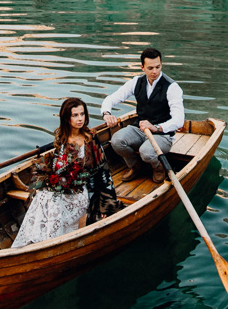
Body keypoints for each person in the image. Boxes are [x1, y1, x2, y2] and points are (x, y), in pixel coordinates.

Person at [13, 97, 104, 248]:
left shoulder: (90, 138)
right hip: (64, 186)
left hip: (81, 188)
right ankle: (38, 239)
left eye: (82, 114)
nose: (80, 119)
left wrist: (105, 202)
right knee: (42, 195)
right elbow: (58, 164)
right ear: (67, 118)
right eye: (75, 115)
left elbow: (102, 170)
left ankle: (51, 241)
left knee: (52, 199)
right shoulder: (61, 137)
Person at [101, 47, 184, 182]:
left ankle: (158, 167)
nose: (155, 71)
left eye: (158, 67)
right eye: (150, 68)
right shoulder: (136, 82)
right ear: (142, 67)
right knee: (116, 141)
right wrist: (106, 113)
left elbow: (179, 120)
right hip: (139, 129)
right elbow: (111, 99)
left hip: (162, 135)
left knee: (146, 152)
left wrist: (156, 128)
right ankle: (135, 166)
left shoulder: (172, 87)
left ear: (161, 64)